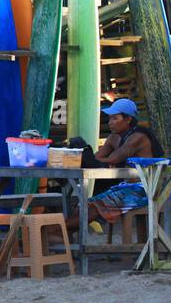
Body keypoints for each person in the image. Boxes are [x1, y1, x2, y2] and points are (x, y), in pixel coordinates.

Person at [66, 99, 163, 233]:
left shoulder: (138, 137)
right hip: (125, 186)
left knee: (95, 207)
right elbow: (96, 158)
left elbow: (111, 159)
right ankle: (61, 234)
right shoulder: (113, 138)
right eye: (110, 119)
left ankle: (57, 230)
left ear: (128, 119)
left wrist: (100, 159)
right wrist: (96, 158)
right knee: (84, 205)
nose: (110, 122)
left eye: (115, 118)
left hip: (145, 189)